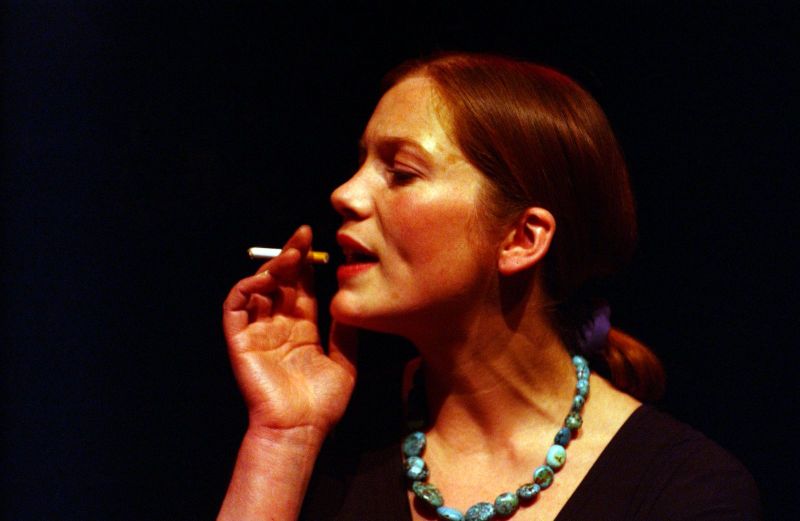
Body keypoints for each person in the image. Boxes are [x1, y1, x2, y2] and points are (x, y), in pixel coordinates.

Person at [218, 53, 760, 520]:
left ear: (521, 238)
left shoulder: (682, 490)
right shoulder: (336, 445)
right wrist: (282, 436)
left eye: (402, 173)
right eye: (360, 163)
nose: (344, 193)